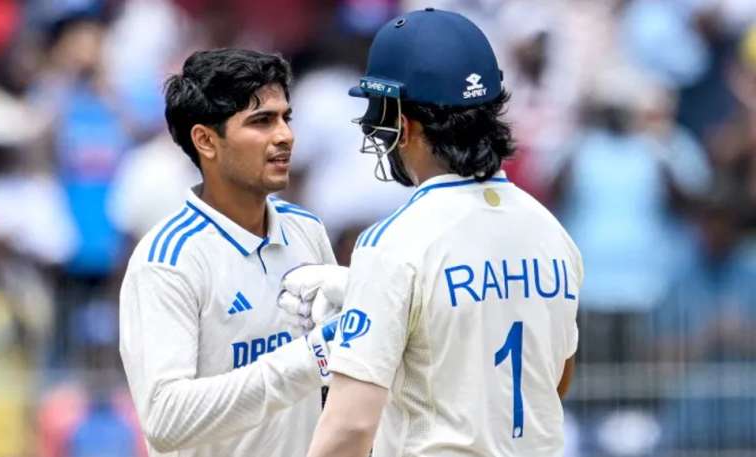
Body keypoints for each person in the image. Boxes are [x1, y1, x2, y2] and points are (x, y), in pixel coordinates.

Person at [284, 9, 583, 457]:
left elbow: (350, 427)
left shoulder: (393, 243)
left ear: (405, 126)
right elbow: (554, 378)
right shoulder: (552, 232)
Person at [118, 49, 339, 457]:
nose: (285, 136)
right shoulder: (166, 262)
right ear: (205, 140)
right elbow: (165, 419)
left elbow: (335, 381)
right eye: (262, 121)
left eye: (286, 117)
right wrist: (306, 360)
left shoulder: (307, 230)